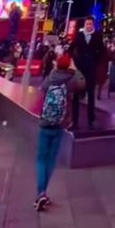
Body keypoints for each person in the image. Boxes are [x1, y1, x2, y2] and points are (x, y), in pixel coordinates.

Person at [35, 53, 85, 211]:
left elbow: (41, 91)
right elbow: (83, 83)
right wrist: (75, 69)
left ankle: (41, 192)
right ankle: (43, 193)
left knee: (41, 159)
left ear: (57, 65)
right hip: (60, 123)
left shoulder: (50, 78)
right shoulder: (71, 81)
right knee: (51, 159)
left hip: (45, 122)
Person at [70, 18, 105, 129]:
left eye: (90, 24)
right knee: (76, 95)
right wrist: (75, 61)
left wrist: (95, 60)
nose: (89, 25)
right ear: (84, 25)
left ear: (93, 25)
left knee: (91, 95)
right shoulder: (79, 35)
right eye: (87, 23)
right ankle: (74, 121)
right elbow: (71, 49)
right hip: (79, 69)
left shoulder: (97, 36)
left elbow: (102, 51)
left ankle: (91, 120)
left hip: (91, 68)